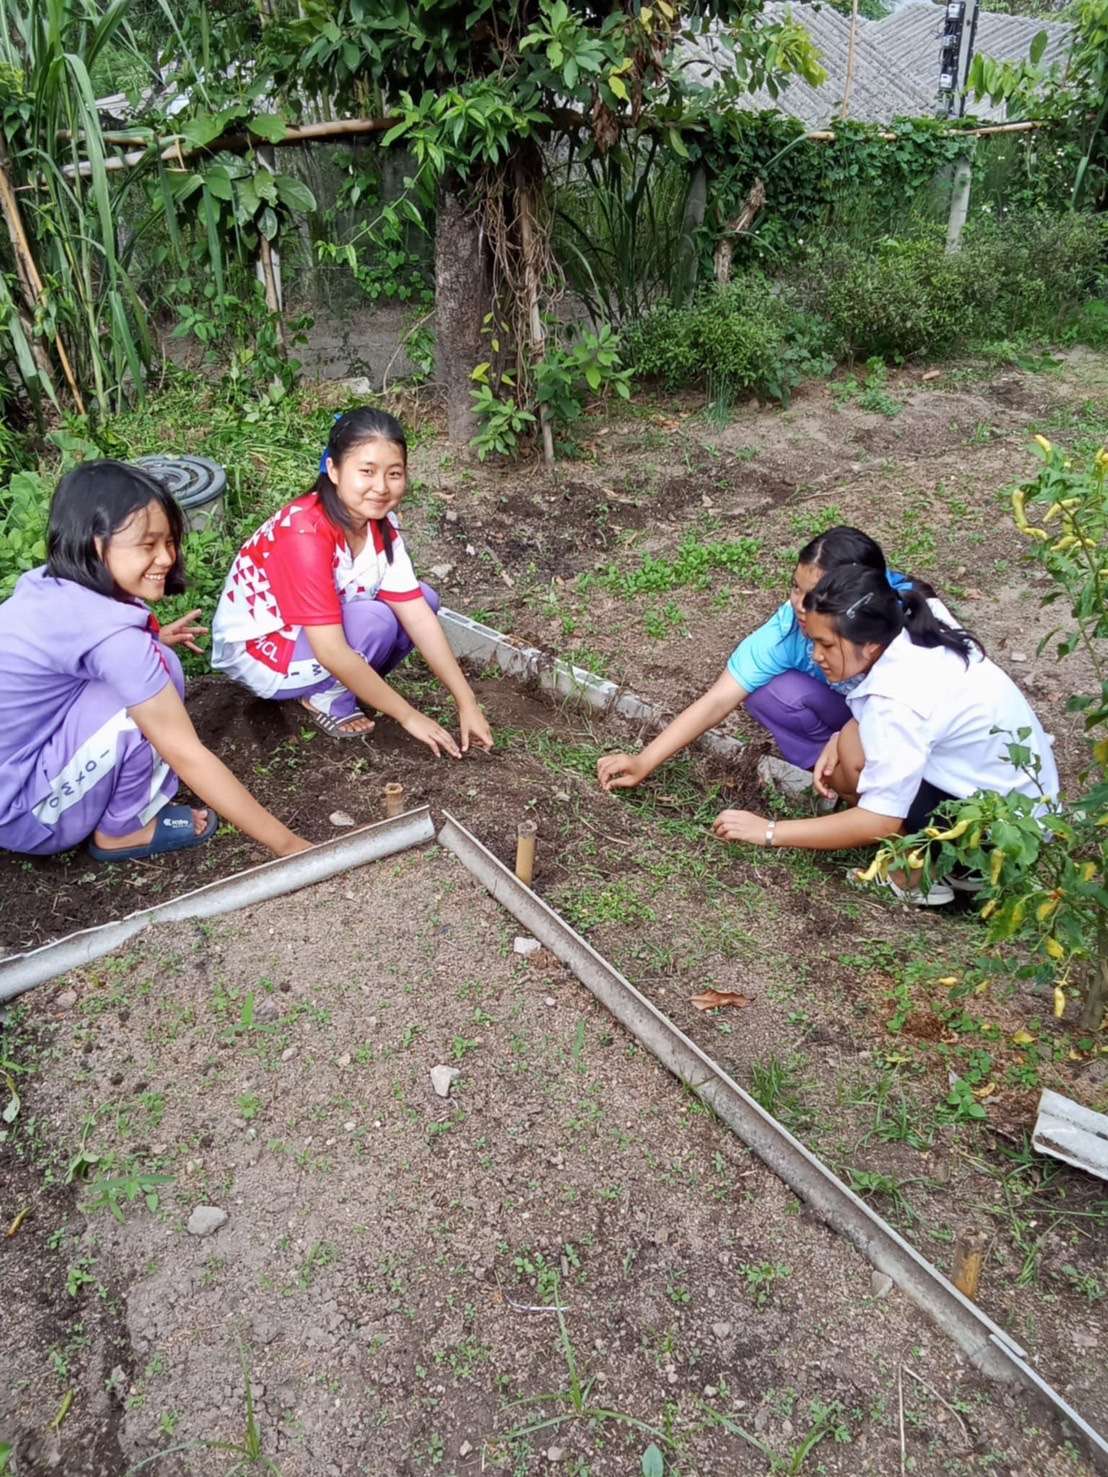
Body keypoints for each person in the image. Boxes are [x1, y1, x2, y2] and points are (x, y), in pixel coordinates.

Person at [0, 461, 310, 862]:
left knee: (155, 660)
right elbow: (186, 753)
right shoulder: (113, 640)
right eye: (148, 545)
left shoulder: (49, 585)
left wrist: (152, 640)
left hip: (14, 778)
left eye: (168, 541)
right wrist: (292, 847)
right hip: (26, 814)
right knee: (146, 691)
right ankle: (123, 831)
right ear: (97, 544)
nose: (166, 557)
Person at [710, 563, 1059, 904]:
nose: (816, 656)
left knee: (852, 760)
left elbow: (879, 819)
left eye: (827, 645)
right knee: (850, 741)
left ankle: (917, 874)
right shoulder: (912, 623)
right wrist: (845, 730)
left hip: (996, 841)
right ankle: (947, 863)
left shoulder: (896, 703)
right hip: (1021, 813)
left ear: (870, 646)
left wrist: (770, 831)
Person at [211, 407, 493, 756]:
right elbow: (331, 649)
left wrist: (466, 701)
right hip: (263, 651)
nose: (381, 487)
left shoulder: (378, 525)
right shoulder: (305, 532)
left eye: (394, 473)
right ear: (333, 470)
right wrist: (408, 716)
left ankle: (340, 684)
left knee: (424, 599)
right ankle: (325, 697)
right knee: (376, 621)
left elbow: (418, 614)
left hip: (313, 633)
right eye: (366, 472)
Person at [597, 525, 937, 798]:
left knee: (862, 750)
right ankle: (834, 780)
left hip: (917, 733)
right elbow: (719, 699)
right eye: (795, 588)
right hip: (856, 716)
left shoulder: (903, 625)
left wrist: (855, 732)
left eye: (816, 596)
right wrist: (644, 761)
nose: (801, 606)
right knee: (770, 691)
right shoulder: (788, 628)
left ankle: (875, 802)